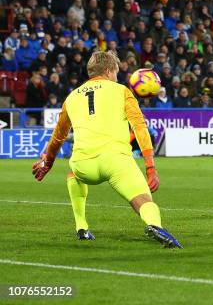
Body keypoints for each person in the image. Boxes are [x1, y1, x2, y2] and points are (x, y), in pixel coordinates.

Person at [32, 51, 182, 248]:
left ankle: (82, 227)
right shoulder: (121, 91)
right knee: (142, 199)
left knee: (73, 172)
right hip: (116, 162)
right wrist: (150, 167)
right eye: (116, 72)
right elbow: (140, 128)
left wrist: (48, 163)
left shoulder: (71, 98)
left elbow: (58, 137)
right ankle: (154, 224)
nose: (116, 77)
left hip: (84, 164)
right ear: (109, 71)